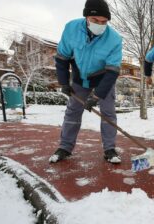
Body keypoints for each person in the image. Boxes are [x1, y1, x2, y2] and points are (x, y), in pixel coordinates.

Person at [49, 0, 122, 163]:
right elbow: (62, 58)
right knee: (73, 111)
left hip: (103, 78)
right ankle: (65, 147)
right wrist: (64, 83)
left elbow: (112, 71)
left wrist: (97, 96)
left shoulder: (115, 39)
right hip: (80, 78)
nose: (100, 25)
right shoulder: (71, 29)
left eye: (104, 22)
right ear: (86, 17)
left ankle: (110, 149)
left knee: (108, 113)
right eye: (95, 21)